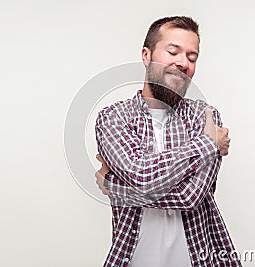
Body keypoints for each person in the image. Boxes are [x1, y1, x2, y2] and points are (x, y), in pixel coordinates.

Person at [94, 16, 242, 267]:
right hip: (132, 258)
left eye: (192, 57)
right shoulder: (113, 117)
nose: (183, 63)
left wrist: (115, 185)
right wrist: (208, 144)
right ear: (146, 55)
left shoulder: (205, 117)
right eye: (173, 51)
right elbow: (142, 176)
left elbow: (190, 197)